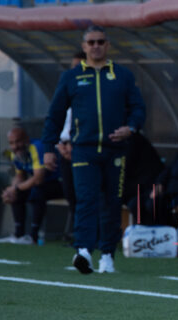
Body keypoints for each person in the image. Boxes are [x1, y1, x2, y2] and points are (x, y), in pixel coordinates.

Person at [42, 25, 145, 274]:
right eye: (91, 42)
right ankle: (84, 251)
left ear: (107, 45)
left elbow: (138, 108)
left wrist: (131, 127)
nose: (96, 46)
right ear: (84, 46)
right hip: (83, 150)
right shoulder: (71, 77)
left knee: (112, 202)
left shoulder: (122, 75)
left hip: (115, 150)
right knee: (86, 200)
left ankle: (107, 255)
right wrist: (48, 147)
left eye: (100, 41)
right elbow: (55, 114)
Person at [0, 126, 63, 245]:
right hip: (42, 185)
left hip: (61, 183)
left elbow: (38, 179)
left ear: (26, 139)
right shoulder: (15, 153)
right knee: (17, 193)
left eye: (18, 141)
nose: (15, 146)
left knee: (38, 190)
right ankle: (18, 235)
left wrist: (16, 188)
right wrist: (10, 191)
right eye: (11, 143)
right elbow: (20, 177)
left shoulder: (36, 147)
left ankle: (33, 236)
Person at [55, 50, 86, 241]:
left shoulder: (92, 93)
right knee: (70, 193)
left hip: (82, 149)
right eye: (73, 67)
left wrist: (76, 146)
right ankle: (77, 232)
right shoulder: (66, 90)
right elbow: (57, 120)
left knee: (85, 193)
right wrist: (60, 145)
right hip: (64, 149)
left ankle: (86, 233)